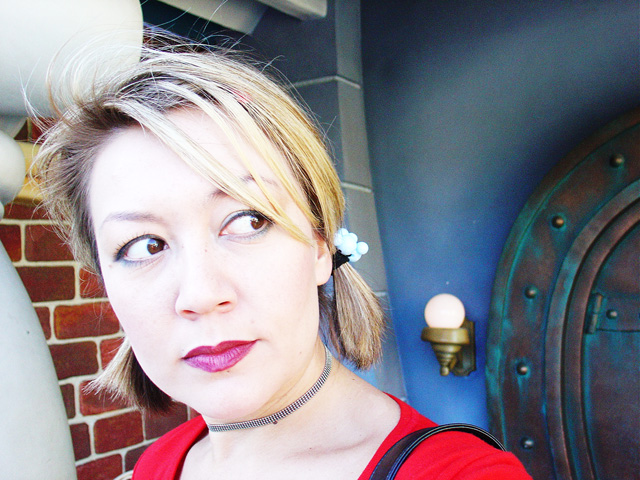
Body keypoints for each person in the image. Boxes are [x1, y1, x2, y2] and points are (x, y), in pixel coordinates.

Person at [34, 38, 532, 479]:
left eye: (248, 220)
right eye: (144, 246)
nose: (201, 294)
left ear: (320, 245)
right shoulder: (159, 464)